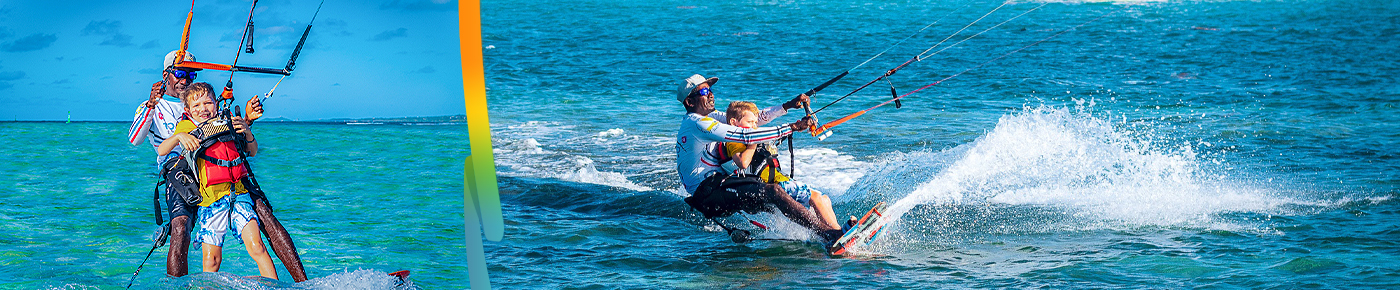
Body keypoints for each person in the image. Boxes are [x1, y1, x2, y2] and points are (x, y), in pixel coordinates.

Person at [127, 50, 308, 281]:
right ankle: (177, 287)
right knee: (180, 227)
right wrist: (152, 104)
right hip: (180, 171)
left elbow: (224, 132)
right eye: (180, 73)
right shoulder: (152, 106)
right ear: (166, 75)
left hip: (218, 168)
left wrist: (248, 121)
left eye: (191, 75)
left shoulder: (202, 101)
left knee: (264, 213)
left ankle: (304, 284)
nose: (185, 80)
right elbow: (135, 139)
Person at [675, 74, 845, 247]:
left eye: (710, 89)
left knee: (780, 196)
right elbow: (745, 134)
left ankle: (831, 235)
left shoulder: (711, 118)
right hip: (708, 194)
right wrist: (790, 128)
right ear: (690, 102)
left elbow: (752, 119)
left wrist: (786, 106)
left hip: (720, 185)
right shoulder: (697, 123)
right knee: (774, 192)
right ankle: (829, 235)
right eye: (704, 91)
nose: (711, 94)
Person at [156, 82, 277, 278]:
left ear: (216, 104)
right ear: (187, 110)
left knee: (257, 247)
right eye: (196, 106)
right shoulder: (187, 126)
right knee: (212, 259)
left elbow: (252, 152)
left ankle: (274, 286)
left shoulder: (227, 122)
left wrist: (246, 129)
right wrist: (179, 137)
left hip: (239, 195)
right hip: (210, 201)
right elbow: (162, 150)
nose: (203, 109)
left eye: (208, 103)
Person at [720, 101, 842, 230]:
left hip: (780, 180)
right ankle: (836, 233)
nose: (754, 127)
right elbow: (743, 163)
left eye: (755, 123)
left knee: (824, 199)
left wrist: (798, 126)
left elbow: (772, 138)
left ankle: (832, 235)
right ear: (733, 123)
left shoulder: (748, 137)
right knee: (816, 198)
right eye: (750, 123)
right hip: (773, 185)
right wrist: (753, 141)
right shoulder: (734, 140)